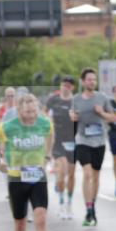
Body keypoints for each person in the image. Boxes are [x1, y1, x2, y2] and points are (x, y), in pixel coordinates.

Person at [0, 93, 54, 231]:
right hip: (17, 178)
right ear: (19, 110)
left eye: (34, 110)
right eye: (27, 111)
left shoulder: (44, 123)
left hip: (37, 177)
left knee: (41, 218)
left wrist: (48, 156)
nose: (32, 114)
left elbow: (51, 134)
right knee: (20, 223)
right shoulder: (9, 127)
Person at [70, 68, 116, 227]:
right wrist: (73, 117)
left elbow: (113, 118)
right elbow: (71, 117)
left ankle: (92, 205)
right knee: (88, 173)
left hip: (99, 141)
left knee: (96, 176)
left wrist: (102, 113)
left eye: (94, 80)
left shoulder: (102, 97)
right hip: (83, 141)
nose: (92, 82)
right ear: (83, 81)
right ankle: (88, 208)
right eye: (89, 79)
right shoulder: (76, 99)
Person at [45, 76, 77, 219]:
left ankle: (69, 203)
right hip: (57, 140)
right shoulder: (53, 100)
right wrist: (48, 121)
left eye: (69, 86)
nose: (66, 88)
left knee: (70, 175)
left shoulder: (76, 101)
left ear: (73, 88)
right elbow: (44, 114)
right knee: (61, 172)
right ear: (60, 86)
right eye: (64, 85)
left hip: (72, 139)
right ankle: (61, 204)